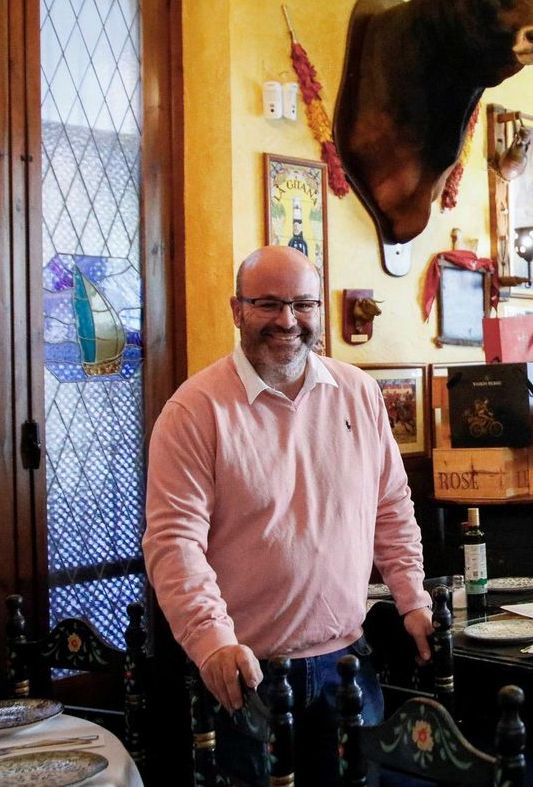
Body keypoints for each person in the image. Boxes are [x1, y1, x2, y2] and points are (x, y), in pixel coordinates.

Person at [143, 246, 433, 786]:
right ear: (236, 310)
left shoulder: (360, 393)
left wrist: (411, 597)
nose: (287, 321)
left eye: (302, 304)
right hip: (246, 673)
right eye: (268, 304)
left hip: (348, 662)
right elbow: (174, 543)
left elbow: (390, 506)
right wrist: (211, 642)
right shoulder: (194, 410)